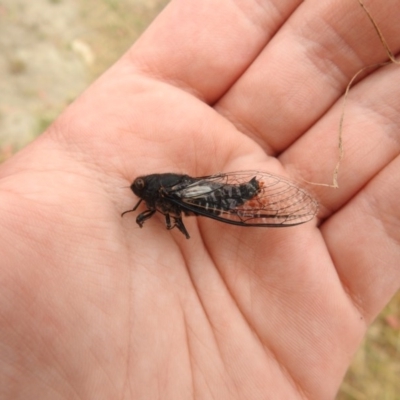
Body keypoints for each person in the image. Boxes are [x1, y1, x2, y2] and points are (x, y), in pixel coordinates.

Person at [1, 0, 399, 398]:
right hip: (195, 191)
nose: (138, 195)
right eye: (140, 191)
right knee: (205, 201)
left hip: (205, 197)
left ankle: (250, 193)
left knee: (222, 205)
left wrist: (163, 211)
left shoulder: (158, 198)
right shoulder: (155, 195)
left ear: (153, 193)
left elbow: (163, 208)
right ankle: (248, 191)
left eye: (142, 193)